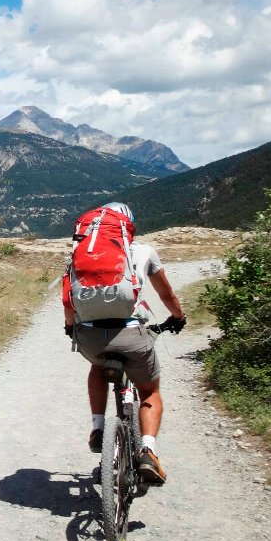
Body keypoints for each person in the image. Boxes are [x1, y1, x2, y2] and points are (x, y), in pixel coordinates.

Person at [62, 202, 187, 484]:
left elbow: (68, 298)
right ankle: (149, 453)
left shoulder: (83, 255)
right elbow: (167, 295)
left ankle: (98, 428)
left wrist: (71, 328)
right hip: (132, 335)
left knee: (97, 365)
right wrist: (177, 317)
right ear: (129, 227)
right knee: (149, 391)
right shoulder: (144, 252)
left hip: (91, 337)